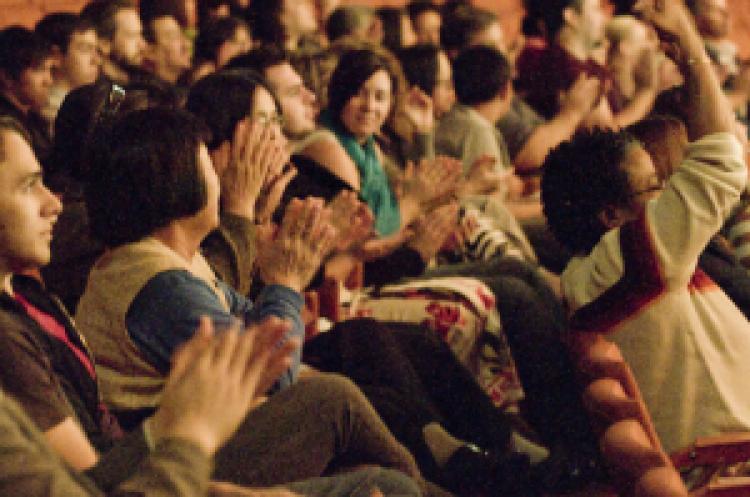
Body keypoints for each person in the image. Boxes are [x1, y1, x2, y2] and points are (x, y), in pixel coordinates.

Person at [541, 0, 750, 454]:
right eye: (654, 186)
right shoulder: (628, 261)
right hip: (731, 458)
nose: (666, 195)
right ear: (611, 215)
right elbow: (722, 161)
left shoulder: (601, 272)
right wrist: (691, 47)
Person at [0, 26, 55, 167]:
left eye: (49, 70)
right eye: (39, 70)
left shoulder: (33, 118)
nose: (48, 81)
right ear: (7, 77)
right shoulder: (6, 126)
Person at [35, 13, 101, 122]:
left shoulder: (86, 106)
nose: (97, 61)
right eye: (85, 49)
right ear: (56, 56)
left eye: (96, 50)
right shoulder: (52, 114)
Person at [80, 0, 147, 84]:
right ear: (104, 44)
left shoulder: (145, 82)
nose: (143, 45)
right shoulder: (93, 90)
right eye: (132, 36)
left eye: (140, 34)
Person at [140, 0, 193, 85]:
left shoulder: (184, 89)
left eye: (181, 35)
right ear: (151, 52)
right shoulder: (143, 92)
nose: (187, 45)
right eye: (174, 37)